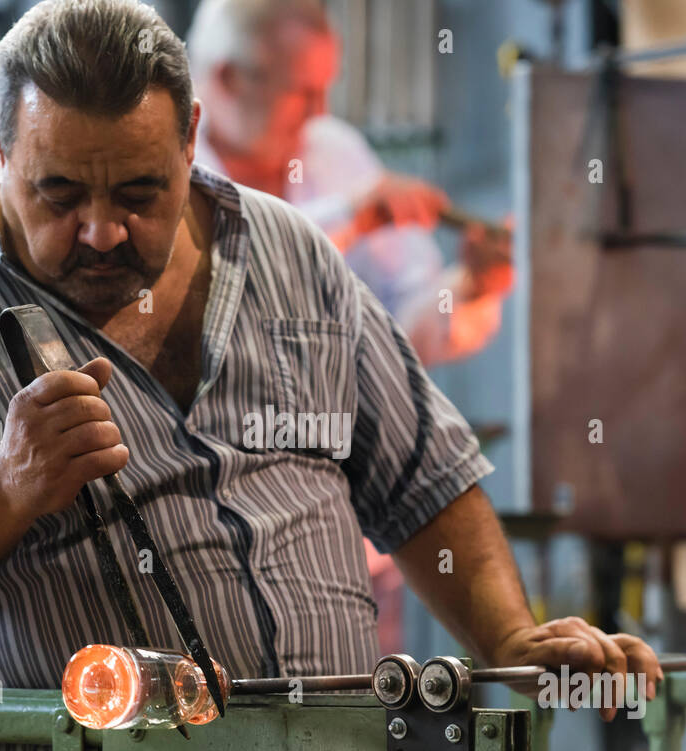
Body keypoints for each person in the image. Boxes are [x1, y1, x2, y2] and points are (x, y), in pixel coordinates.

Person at [0, 0, 660, 751]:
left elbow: (424, 477)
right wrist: (6, 482)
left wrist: (508, 638)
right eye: (58, 193)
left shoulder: (290, 255)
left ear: (189, 138)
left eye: (140, 193)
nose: (101, 230)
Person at [187, 0, 513, 650]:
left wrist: (468, 287)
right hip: (214, 547)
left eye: (325, 87)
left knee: (358, 736)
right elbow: (218, 287)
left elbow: (403, 329)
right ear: (227, 79)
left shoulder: (331, 151)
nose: (318, 110)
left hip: (353, 552)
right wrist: (354, 216)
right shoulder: (169, 163)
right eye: (302, 91)